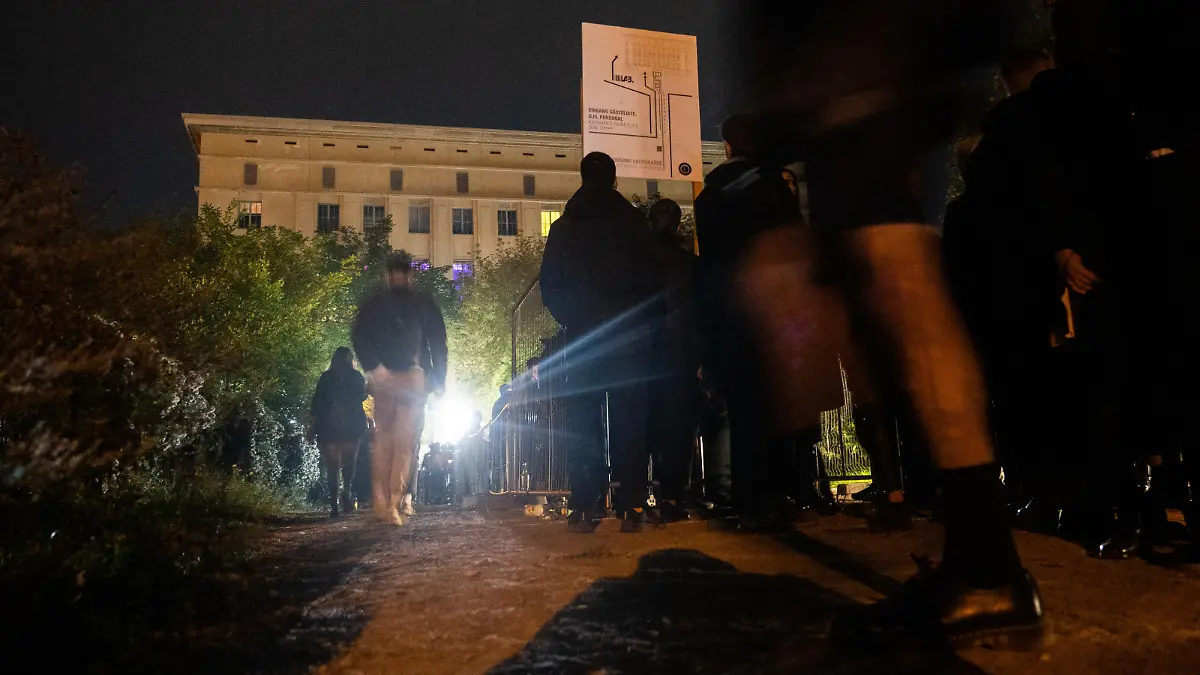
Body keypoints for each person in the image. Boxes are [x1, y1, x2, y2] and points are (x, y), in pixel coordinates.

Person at [734, 0, 1043, 648]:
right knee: (898, 281)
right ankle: (982, 559)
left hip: (857, 58)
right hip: (873, 55)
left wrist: (798, 92)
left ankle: (987, 568)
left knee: (899, 279)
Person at [694, 113, 843, 530]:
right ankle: (780, 497)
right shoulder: (777, 186)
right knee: (778, 402)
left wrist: (711, 332)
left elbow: (711, 269)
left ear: (726, 146)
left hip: (734, 312)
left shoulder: (711, 196)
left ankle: (749, 503)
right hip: (778, 309)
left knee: (743, 411)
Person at [539, 151, 664, 533]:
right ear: (614, 180)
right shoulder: (633, 223)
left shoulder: (564, 228)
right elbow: (651, 280)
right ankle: (631, 505)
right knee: (630, 420)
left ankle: (584, 504)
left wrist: (574, 317)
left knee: (583, 421)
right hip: (627, 336)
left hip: (583, 337)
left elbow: (550, 285)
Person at [351, 251, 449, 526]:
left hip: (403, 378)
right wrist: (438, 379)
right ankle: (386, 501)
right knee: (393, 442)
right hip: (399, 378)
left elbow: (437, 342)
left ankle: (389, 502)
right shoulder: (413, 304)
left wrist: (374, 367)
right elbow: (437, 343)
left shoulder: (381, 303)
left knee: (397, 442)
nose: (398, 277)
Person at [646, 198, 701, 524]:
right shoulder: (689, 264)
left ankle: (640, 495)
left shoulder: (638, 265)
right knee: (680, 428)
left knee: (649, 425)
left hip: (646, 353)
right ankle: (673, 495)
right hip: (680, 354)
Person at [308, 347, 368, 517]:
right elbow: (362, 396)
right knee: (350, 463)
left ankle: (334, 505)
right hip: (352, 425)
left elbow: (317, 400)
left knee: (332, 467)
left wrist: (320, 416)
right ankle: (346, 491)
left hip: (329, 426)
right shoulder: (356, 376)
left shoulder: (326, 377)